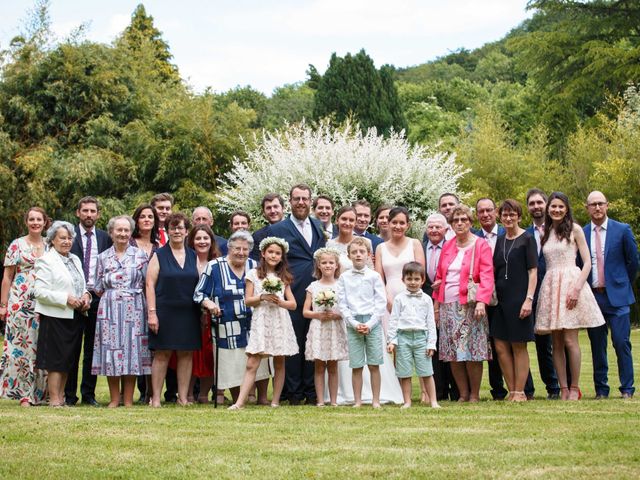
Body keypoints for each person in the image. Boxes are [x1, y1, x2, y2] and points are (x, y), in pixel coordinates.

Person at [535, 192, 605, 400]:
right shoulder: (545, 232)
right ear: (548, 209)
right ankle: (563, 388)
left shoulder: (575, 230)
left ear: (566, 209)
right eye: (553, 207)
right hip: (551, 284)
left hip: (571, 282)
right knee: (555, 341)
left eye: (560, 207)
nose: (556, 210)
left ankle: (575, 387)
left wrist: (576, 288)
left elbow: (587, 262)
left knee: (570, 340)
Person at [266, 184, 326, 405]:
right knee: (292, 343)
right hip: (291, 292)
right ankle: (293, 392)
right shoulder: (278, 229)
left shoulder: (319, 226)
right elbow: (273, 262)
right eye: (297, 199)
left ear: (310, 201)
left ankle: (312, 393)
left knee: (313, 341)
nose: (301, 202)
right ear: (289, 201)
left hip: (317, 294)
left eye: (305, 199)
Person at [194, 231, 270, 405]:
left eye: (245, 249)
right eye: (237, 248)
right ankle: (238, 398)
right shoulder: (214, 266)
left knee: (259, 360)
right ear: (229, 248)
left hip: (254, 323)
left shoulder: (255, 266)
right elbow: (199, 294)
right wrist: (210, 304)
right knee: (233, 364)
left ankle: (262, 398)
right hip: (226, 324)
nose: (241, 252)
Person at [432, 205, 493, 403]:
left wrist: (482, 302)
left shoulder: (480, 244)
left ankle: (474, 394)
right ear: (451, 224)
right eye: (456, 220)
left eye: (464, 219)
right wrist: (436, 305)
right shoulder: (448, 245)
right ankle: (463, 394)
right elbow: (441, 275)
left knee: (472, 352)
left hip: (470, 305)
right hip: (448, 305)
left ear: (470, 222)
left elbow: (486, 275)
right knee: (453, 353)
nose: (459, 223)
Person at [230, 237, 298, 409]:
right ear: (263, 253)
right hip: (261, 320)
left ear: (282, 257)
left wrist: (279, 302)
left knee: (279, 361)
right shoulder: (253, 274)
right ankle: (240, 402)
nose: (274, 256)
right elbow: (247, 300)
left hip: (279, 320)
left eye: (277, 253)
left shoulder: (284, 277)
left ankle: (275, 401)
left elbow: (293, 304)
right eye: (271, 252)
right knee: (253, 361)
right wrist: (262, 297)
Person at [91, 215, 151, 408]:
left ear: (131, 232)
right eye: (119, 230)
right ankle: (115, 398)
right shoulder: (102, 258)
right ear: (111, 232)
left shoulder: (140, 256)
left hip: (134, 307)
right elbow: (98, 287)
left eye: (126, 230)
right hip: (109, 309)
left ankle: (128, 400)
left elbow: (147, 283)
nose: (123, 234)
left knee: (131, 352)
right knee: (111, 351)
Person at [584, 191, 638, 399]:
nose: (597, 208)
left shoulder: (622, 230)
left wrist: (621, 283)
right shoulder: (583, 232)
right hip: (593, 298)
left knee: (621, 342)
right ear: (587, 208)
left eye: (600, 204)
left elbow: (633, 262)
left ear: (607, 205)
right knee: (597, 345)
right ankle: (601, 389)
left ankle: (627, 389)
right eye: (593, 204)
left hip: (618, 297)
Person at [34, 221, 92, 407]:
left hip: (75, 316)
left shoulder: (74, 259)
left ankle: (62, 397)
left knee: (69, 359)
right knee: (56, 361)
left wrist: (86, 295)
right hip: (55, 316)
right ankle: (55, 399)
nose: (67, 242)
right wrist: (65, 298)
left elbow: (81, 284)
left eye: (69, 238)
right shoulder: (46, 260)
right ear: (52, 240)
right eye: (62, 238)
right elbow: (39, 292)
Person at [146, 212, 201, 407]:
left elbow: (200, 285)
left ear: (187, 232)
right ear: (167, 231)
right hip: (164, 312)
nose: (177, 231)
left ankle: (183, 398)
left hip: (189, 313)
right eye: (173, 227)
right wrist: (152, 313)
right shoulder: (158, 255)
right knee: (162, 354)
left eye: (180, 228)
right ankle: (155, 399)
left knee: (186, 354)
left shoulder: (194, 255)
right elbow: (149, 285)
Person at [375, 207, 426, 400]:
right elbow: (379, 277)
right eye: (394, 222)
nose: (397, 226)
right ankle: (399, 391)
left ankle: (424, 390)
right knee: (395, 344)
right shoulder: (380, 247)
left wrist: (410, 296)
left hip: (413, 297)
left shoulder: (414, 244)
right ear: (387, 223)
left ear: (408, 225)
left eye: (401, 223)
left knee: (418, 343)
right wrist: (388, 301)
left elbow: (421, 273)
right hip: (389, 299)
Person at [0, 207, 50, 406]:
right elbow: (7, 277)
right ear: (26, 222)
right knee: (22, 347)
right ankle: (24, 394)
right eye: (31, 219)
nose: (35, 222)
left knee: (42, 346)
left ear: (45, 222)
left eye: (39, 219)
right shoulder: (16, 244)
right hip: (20, 302)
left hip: (45, 302)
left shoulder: (50, 244)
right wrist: (3, 305)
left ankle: (43, 393)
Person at [66, 196, 112, 407]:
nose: (89, 215)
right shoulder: (68, 236)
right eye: (85, 211)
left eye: (92, 211)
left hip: (97, 299)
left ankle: (88, 393)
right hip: (73, 299)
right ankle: (68, 394)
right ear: (78, 213)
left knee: (92, 349)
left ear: (98, 214)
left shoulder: (104, 238)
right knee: (72, 348)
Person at [491, 200, 538, 402]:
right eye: (505, 215)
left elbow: (533, 271)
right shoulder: (500, 240)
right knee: (501, 346)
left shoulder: (528, 238)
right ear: (500, 217)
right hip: (501, 300)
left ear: (519, 216)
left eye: (512, 214)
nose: (508, 218)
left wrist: (528, 299)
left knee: (519, 346)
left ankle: (521, 391)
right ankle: (512, 391)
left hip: (520, 299)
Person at [337, 237, 387, 408]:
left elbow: (381, 302)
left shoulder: (374, 276)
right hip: (353, 322)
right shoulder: (344, 277)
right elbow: (342, 303)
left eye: (362, 252)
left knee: (374, 364)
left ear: (368, 255)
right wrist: (353, 322)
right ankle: (357, 400)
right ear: (349, 255)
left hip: (372, 322)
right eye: (354, 252)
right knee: (356, 365)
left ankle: (376, 400)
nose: (358, 255)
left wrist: (371, 323)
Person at [525, 188, 561, 399]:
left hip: (554, 292)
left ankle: (554, 387)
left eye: (540, 202)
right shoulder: (524, 233)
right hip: (529, 296)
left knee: (549, 345)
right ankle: (526, 389)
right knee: (527, 343)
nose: (536, 206)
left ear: (546, 205)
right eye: (532, 203)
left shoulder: (559, 230)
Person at [387, 262, 439, 409]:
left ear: (422, 280)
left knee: (427, 371)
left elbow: (430, 323)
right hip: (403, 337)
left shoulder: (427, 299)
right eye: (409, 279)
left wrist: (431, 343)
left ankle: (433, 401)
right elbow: (394, 321)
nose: (413, 282)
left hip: (421, 338)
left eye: (417, 279)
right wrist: (392, 341)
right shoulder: (399, 299)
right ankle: (407, 401)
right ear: (403, 280)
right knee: (405, 373)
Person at [303, 247, 348, 407]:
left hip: (334, 327)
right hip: (319, 328)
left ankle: (334, 400)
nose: (328, 265)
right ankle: (320, 400)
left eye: (331, 262)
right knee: (319, 365)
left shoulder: (341, 285)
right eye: (324, 263)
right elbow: (305, 312)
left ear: (336, 265)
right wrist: (318, 315)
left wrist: (338, 314)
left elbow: (346, 308)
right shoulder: (313, 286)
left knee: (333, 365)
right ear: (318, 266)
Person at [422, 213, 459, 401]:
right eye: (430, 227)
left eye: (438, 227)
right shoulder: (421, 247)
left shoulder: (453, 246)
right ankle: (439, 391)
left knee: (451, 344)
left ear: (446, 229)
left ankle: (457, 390)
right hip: (427, 300)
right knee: (433, 346)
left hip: (449, 299)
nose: (434, 230)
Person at [473, 197, 508, 401]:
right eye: (481, 211)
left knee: (511, 344)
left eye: (489, 210)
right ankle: (497, 390)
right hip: (481, 298)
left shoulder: (507, 233)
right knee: (489, 346)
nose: (485, 214)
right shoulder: (474, 238)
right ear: (477, 215)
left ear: (495, 212)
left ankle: (524, 389)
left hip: (506, 296)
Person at [187, 224, 220, 403]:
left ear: (211, 241)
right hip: (189, 313)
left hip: (210, 314)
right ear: (192, 240)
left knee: (208, 354)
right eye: (198, 238)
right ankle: (188, 393)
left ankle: (204, 394)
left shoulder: (217, 262)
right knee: (190, 355)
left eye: (205, 238)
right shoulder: (186, 259)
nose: (202, 241)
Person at [130, 203, 159, 403]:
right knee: (135, 345)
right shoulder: (128, 243)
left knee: (152, 346)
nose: (147, 219)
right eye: (143, 216)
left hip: (152, 299)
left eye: (150, 216)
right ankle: (140, 391)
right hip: (131, 300)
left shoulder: (159, 247)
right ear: (137, 221)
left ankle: (151, 391)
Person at [327, 206, 372, 272]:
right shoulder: (329, 245)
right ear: (337, 220)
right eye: (344, 219)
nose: (347, 223)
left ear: (355, 223)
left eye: (351, 220)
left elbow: (370, 270)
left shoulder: (366, 242)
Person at [251, 193, 285, 261]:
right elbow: (257, 263)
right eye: (268, 208)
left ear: (283, 208)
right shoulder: (257, 236)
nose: (272, 211)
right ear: (263, 212)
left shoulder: (295, 229)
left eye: (275, 206)